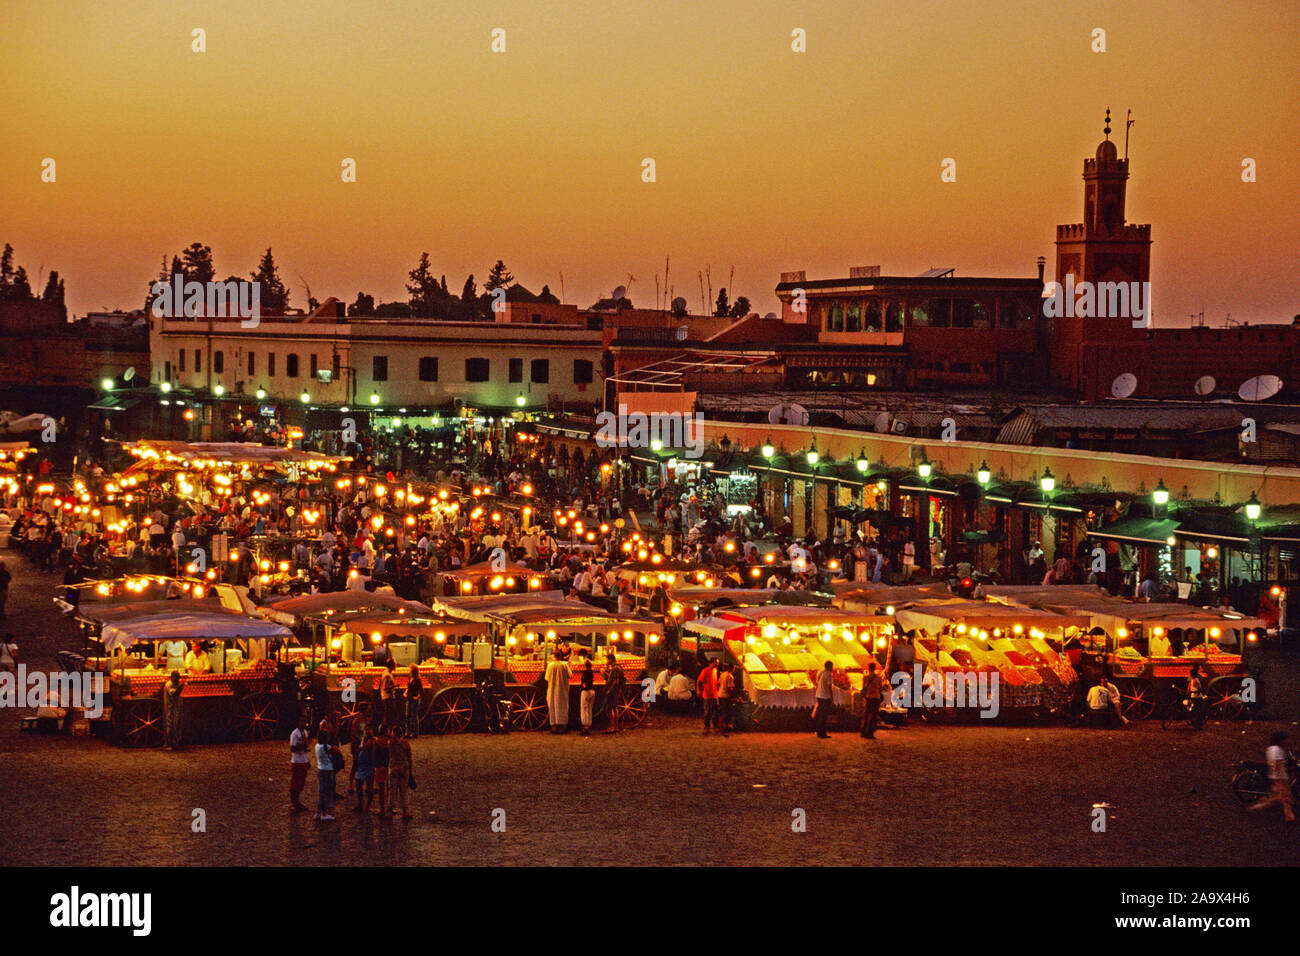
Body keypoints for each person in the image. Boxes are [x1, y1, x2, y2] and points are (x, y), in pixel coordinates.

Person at [1247, 731, 1295, 823]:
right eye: (1285, 739)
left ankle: (1289, 816)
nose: (1287, 741)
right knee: (1285, 797)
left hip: (1276, 776)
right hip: (1280, 777)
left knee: (1282, 797)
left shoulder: (1271, 748)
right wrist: (1280, 776)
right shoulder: (1278, 750)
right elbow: (1277, 764)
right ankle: (1259, 807)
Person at [387, 726, 414, 819]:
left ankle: (390, 810)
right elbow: (410, 758)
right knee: (403, 790)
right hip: (403, 768)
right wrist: (411, 771)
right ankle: (404, 811)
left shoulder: (390, 744)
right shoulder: (406, 744)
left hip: (394, 767)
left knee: (393, 790)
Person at [314, 726, 338, 822]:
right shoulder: (327, 747)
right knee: (327, 791)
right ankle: (325, 813)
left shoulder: (317, 746)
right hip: (328, 770)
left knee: (321, 791)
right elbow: (337, 751)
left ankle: (318, 811)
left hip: (320, 769)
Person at [544, 650, 572, 733]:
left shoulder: (550, 666)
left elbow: (546, 678)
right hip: (562, 689)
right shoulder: (564, 665)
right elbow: (570, 675)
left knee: (552, 706)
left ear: (553, 656)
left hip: (552, 689)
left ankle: (554, 726)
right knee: (562, 707)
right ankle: (562, 726)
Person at [289, 715, 311, 812]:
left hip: (303, 760)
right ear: (298, 722)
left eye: (305, 721)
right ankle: (294, 803)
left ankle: (298, 802)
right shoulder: (294, 734)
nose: (304, 723)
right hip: (297, 761)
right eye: (302, 721)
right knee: (295, 783)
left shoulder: (305, 732)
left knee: (301, 783)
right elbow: (293, 748)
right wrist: (302, 745)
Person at [352, 726, 375, 811]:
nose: (367, 733)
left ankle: (367, 806)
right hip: (362, 765)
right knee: (358, 784)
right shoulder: (363, 739)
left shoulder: (372, 740)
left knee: (369, 786)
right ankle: (360, 804)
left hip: (369, 766)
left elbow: (365, 748)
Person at [603, 652, 626, 734]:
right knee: (614, 708)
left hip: (614, 690)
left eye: (607, 659)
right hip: (615, 690)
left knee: (611, 708)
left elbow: (616, 680)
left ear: (610, 660)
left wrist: (610, 690)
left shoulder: (616, 668)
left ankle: (613, 726)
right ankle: (615, 726)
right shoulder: (614, 668)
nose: (606, 661)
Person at [371, 724, 391, 815]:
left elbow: (374, 754)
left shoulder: (377, 741)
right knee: (388, 788)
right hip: (387, 766)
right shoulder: (389, 741)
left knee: (381, 788)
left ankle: (382, 808)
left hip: (379, 767)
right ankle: (389, 807)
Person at [859, 662, 883, 739]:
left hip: (868, 698)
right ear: (875, 668)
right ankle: (870, 733)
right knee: (873, 716)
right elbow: (880, 689)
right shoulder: (878, 678)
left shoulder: (865, 678)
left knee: (866, 715)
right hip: (876, 698)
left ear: (869, 669)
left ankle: (863, 732)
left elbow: (863, 689)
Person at [162, 670, 184, 749]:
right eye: (176, 678)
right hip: (169, 706)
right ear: (172, 677)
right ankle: (168, 743)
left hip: (176, 707)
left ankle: (175, 741)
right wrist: (181, 687)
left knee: (177, 723)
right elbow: (174, 694)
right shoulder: (169, 685)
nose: (177, 680)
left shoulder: (177, 684)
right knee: (169, 723)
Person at [696, 658, 719, 734]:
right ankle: (707, 725)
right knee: (708, 710)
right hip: (707, 694)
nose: (717, 664)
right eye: (716, 662)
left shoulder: (715, 671)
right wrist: (699, 691)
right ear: (712, 663)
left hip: (714, 694)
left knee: (715, 709)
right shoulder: (705, 670)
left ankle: (715, 724)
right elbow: (700, 681)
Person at [813, 660, 834, 738]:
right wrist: (832, 698)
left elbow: (817, 682)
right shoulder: (829, 674)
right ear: (830, 667)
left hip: (819, 695)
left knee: (820, 714)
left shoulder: (820, 672)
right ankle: (822, 733)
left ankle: (819, 731)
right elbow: (829, 687)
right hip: (825, 696)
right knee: (823, 715)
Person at [716, 662, 735, 735]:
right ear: (732, 668)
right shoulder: (730, 676)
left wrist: (719, 691)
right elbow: (730, 688)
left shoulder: (722, 674)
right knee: (726, 711)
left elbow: (718, 684)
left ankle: (719, 725)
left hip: (720, 695)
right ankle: (725, 726)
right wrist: (732, 697)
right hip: (726, 696)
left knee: (721, 710)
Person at [578, 653, 596, 735]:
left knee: (584, 709)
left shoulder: (585, 673)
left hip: (586, 691)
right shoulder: (591, 672)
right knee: (589, 709)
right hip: (592, 691)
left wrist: (582, 685)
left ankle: (585, 727)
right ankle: (589, 725)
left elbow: (584, 684)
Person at [404, 665, 423, 739]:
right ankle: (408, 732)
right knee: (408, 716)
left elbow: (421, 691)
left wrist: (417, 698)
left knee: (414, 717)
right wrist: (406, 693)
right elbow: (408, 687)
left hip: (414, 700)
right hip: (409, 699)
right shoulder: (410, 678)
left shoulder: (418, 680)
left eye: (410, 670)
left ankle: (415, 733)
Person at [1187, 664, 1208, 729]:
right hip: (1197, 697)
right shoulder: (1198, 680)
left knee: (1193, 709)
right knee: (1200, 710)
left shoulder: (1191, 680)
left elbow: (1189, 688)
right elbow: (1200, 689)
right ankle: (1198, 724)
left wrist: (1188, 694)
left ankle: (1192, 720)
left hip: (1192, 696)